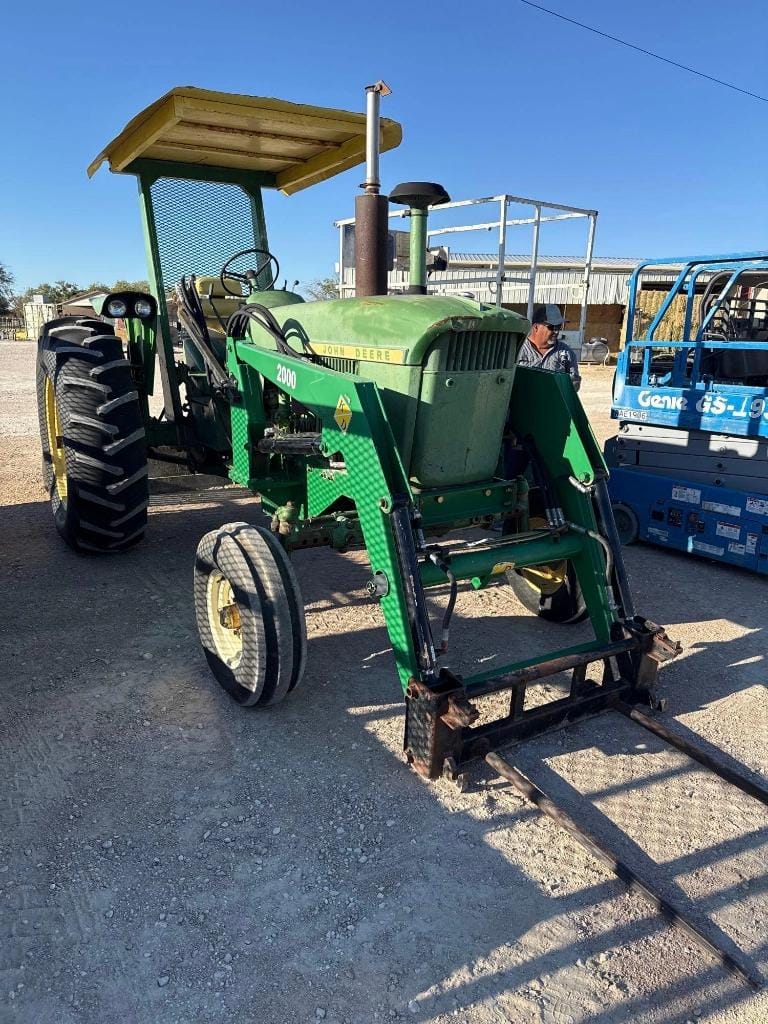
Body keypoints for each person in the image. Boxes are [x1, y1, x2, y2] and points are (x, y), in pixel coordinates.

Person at [517, 303, 581, 391]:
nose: (556, 331)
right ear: (536, 327)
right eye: (551, 327)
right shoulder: (517, 349)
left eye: (558, 327)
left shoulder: (566, 353)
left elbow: (574, 384)